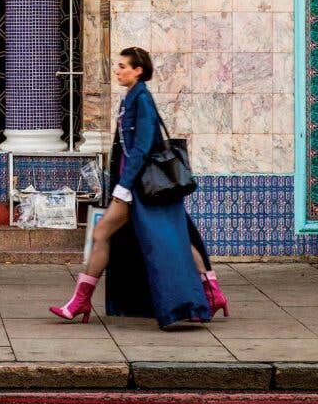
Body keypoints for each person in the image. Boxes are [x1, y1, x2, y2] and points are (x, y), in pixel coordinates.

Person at [50, 46, 229, 329]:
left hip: (139, 189)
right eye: (118, 66)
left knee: (105, 233)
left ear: (138, 70)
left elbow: (143, 146)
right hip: (137, 188)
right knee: (177, 238)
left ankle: (80, 302)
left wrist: (124, 187)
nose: (118, 71)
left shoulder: (141, 99)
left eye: (123, 66)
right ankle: (213, 293)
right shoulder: (131, 97)